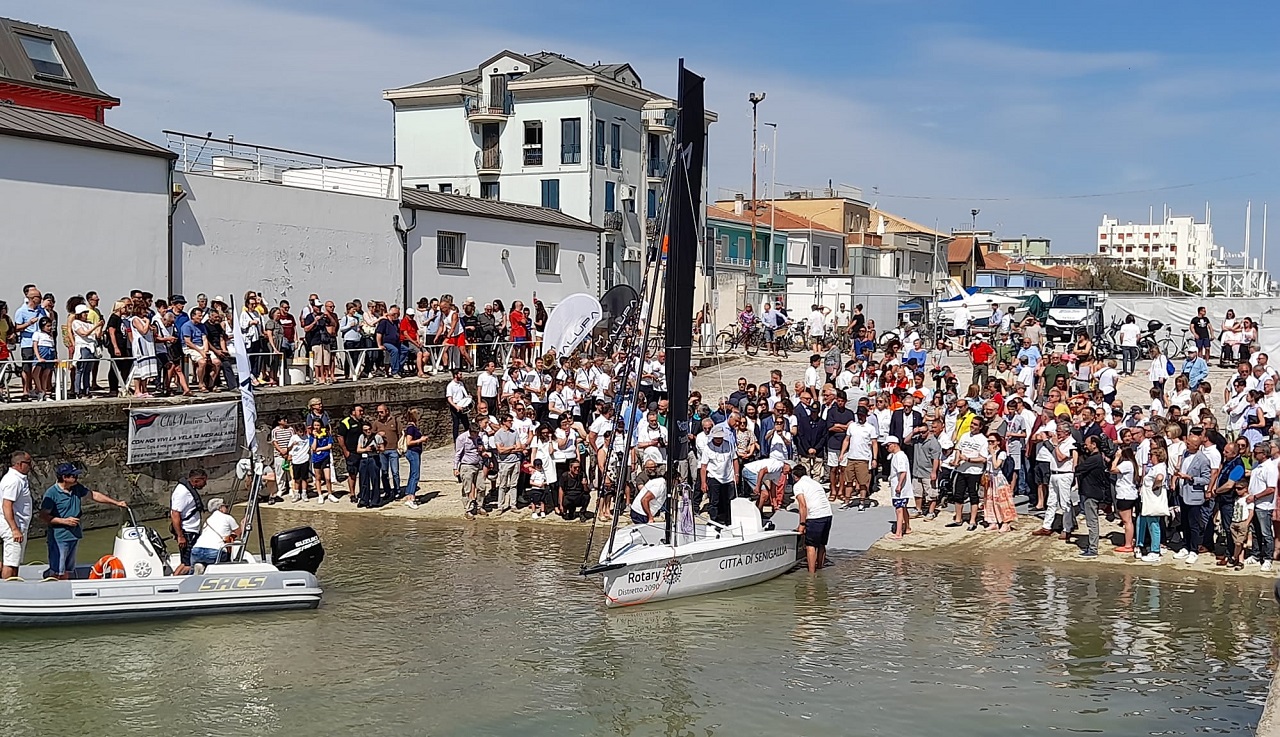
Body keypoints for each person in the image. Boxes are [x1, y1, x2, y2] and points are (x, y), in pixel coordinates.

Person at [40, 463, 128, 580]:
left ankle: (65, 590)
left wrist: (116, 503)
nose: (77, 478)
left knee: (67, 569)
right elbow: (43, 516)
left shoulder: (77, 488)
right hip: (59, 538)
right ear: (64, 477)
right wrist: (64, 521)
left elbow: (94, 495)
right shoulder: (52, 494)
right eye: (74, 476)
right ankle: (54, 591)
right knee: (57, 571)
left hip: (74, 535)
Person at [791, 465, 832, 573]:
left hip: (815, 516)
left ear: (795, 476)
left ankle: (811, 574)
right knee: (822, 544)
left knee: (810, 546)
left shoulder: (798, 485)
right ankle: (820, 568)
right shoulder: (815, 483)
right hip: (827, 514)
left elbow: (803, 505)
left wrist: (802, 524)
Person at [0, 451, 33, 580]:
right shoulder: (13, 481)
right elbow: (6, 505)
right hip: (13, 527)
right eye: (28, 463)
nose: (31, 466)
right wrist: (14, 529)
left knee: (15, 561)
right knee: (10, 562)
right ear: (20, 464)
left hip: (19, 526)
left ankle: (14, 585)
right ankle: (6, 591)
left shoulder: (19, 479)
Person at [169, 468, 209, 575]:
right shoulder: (182, 493)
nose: (205, 484)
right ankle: (174, 582)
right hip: (187, 532)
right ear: (196, 481)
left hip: (191, 532)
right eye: (204, 481)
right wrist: (180, 536)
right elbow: (175, 514)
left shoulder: (188, 489)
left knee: (186, 562)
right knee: (187, 564)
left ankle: (174, 580)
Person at [1075, 435, 1109, 558]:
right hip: (1092, 492)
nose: (1085, 446)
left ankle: (1093, 549)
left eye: (1087, 444)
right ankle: (1092, 546)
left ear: (1094, 445)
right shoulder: (1096, 457)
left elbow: (1079, 468)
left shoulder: (1094, 459)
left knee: (1092, 521)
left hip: (1092, 493)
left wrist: (1077, 456)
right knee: (1092, 520)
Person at [190, 497, 241, 570]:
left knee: (192, 573)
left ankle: (198, 571)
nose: (227, 508)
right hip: (214, 551)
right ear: (220, 508)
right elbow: (240, 534)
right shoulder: (227, 518)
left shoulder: (207, 521)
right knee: (224, 565)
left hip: (196, 550)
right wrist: (243, 524)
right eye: (226, 506)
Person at [455, 423, 488, 519]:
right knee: (467, 489)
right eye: (475, 433)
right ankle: (468, 509)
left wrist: (483, 449)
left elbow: (483, 449)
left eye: (478, 432)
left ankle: (479, 506)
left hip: (478, 464)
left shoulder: (479, 437)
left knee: (482, 487)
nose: (477, 435)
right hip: (467, 465)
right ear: (470, 432)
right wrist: (455, 468)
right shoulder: (462, 438)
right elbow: (458, 454)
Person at [885, 436, 911, 539]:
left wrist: (899, 485)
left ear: (894, 444)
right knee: (903, 508)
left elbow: (902, 472)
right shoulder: (896, 456)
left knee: (899, 509)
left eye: (888, 445)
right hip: (901, 487)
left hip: (900, 488)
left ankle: (898, 533)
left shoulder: (899, 456)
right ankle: (907, 527)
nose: (887, 448)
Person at [402, 409, 426, 508]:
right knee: (415, 474)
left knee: (414, 473)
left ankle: (410, 494)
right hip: (413, 452)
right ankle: (410, 497)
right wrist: (421, 440)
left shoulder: (413, 427)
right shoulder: (411, 428)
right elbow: (408, 442)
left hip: (416, 452)